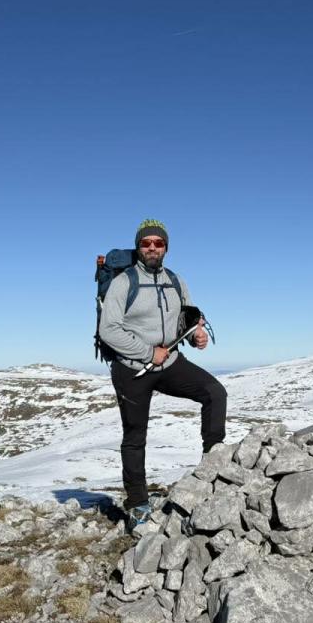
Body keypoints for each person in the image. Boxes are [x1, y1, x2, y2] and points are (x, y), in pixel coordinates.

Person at [97, 218, 227, 531]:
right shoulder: (123, 283)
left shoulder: (176, 280)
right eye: (146, 243)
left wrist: (196, 336)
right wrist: (147, 352)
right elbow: (108, 330)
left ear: (166, 247)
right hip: (132, 369)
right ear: (138, 247)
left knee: (215, 393)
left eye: (158, 243)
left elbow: (186, 318)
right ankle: (138, 506)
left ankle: (213, 470)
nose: (152, 248)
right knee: (135, 437)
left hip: (169, 362)